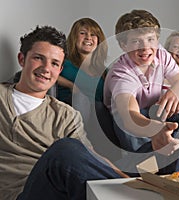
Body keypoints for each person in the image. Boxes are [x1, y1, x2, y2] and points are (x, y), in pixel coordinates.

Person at [0, 25, 127, 200]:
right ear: (22, 59)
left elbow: (89, 158)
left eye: (54, 63)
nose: (46, 68)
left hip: (59, 191)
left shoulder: (66, 115)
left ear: (60, 70)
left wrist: (129, 181)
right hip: (19, 194)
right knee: (65, 149)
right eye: (38, 58)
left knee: (72, 151)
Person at [103, 9, 179, 174]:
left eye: (150, 39)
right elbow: (129, 116)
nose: (145, 48)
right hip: (135, 132)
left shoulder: (161, 54)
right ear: (123, 45)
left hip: (158, 116)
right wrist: (156, 130)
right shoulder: (120, 74)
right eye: (136, 41)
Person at [57, 17, 107, 109]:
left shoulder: (105, 72)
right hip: (69, 110)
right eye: (82, 33)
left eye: (93, 34)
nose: (88, 37)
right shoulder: (63, 62)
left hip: (98, 114)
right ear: (74, 37)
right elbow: (49, 74)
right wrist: (71, 85)